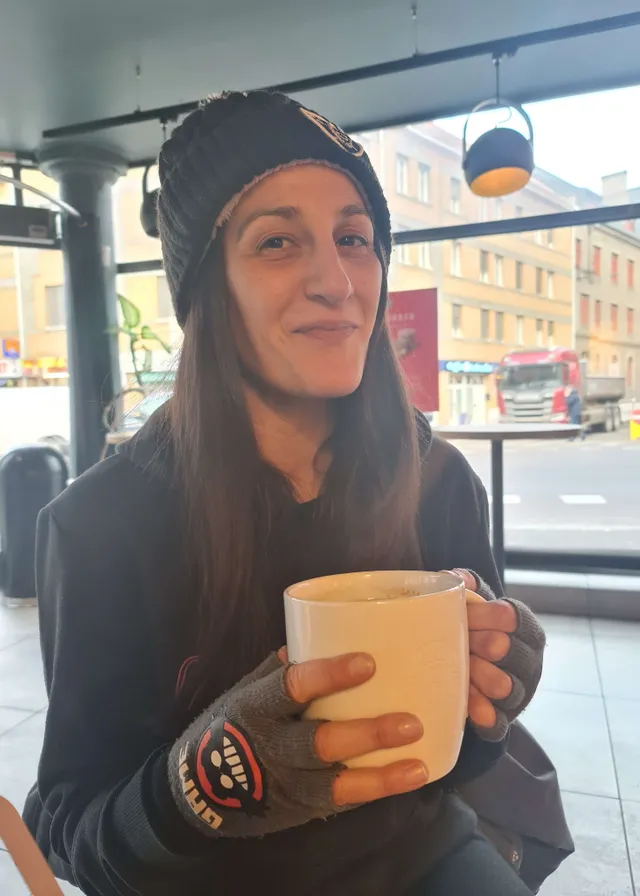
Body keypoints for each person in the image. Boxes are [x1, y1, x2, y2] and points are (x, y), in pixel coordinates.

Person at [24, 91, 545, 896]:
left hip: (419, 858)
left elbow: (459, 762)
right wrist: (203, 784)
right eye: (276, 242)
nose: (336, 281)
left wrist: (492, 696)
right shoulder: (99, 527)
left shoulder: (437, 480)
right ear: (205, 291)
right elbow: (69, 833)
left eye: (354, 239)